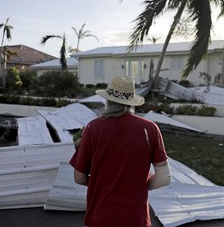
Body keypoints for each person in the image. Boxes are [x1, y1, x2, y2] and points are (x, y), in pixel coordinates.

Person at [69, 74, 171, 227]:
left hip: (101, 217)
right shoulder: (150, 128)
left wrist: (101, 184)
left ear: (108, 100)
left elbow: (79, 178)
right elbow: (164, 178)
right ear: (131, 102)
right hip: (136, 218)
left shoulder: (93, 128)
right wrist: (137, 186)